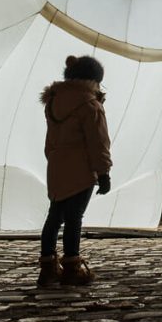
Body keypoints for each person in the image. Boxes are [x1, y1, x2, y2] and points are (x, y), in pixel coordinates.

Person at [37, 55, 112, 287]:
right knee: (74, 219)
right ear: (93, 80)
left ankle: (47, 269)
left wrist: (55, 160)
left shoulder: (53, 102)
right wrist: (103, 173)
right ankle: (72, 267)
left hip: (57, 168)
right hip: (80, 170)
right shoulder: (90, 105)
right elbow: (98, 142)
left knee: (54, 217)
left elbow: (51, 141)